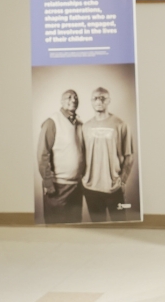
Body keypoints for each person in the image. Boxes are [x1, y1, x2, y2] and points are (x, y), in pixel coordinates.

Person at [81, 87, 135, 222]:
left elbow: (129, 156)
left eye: (103, 98)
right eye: (95, 98)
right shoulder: (85, 127)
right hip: (90, 188)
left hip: (114, 188)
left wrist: (122, 181)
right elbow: (81, 156)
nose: (99, 101)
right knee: (98, 227)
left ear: (109, 100)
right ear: (91, 102)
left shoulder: (121, 125)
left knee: (121, 225)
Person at [37, 90, 86, 224]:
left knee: (75, 226)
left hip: (76, 187)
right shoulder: (51, 122)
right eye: (68, 97)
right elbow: (43, 154)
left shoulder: (80, 124)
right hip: (58, 187)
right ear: (61, 101)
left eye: (76, 97)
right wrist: (48, 182)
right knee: (56, 227)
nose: (73, 99)